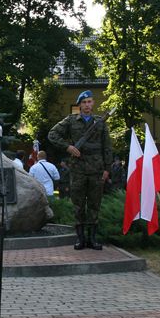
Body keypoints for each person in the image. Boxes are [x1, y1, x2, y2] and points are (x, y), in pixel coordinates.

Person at [48, 90, 112, 250]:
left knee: (94, 204)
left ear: (93, 103)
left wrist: (107, 168)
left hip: (97, 169)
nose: (87, 105)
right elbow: (52, 134)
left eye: (89, 102)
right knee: (78, 204)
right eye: (84, 102)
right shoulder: (70, 120)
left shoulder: (101, 122)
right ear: (79, 105)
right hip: (78, 169)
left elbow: (107, 147)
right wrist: (68, 147)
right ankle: (80, 239)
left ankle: (92, 239)